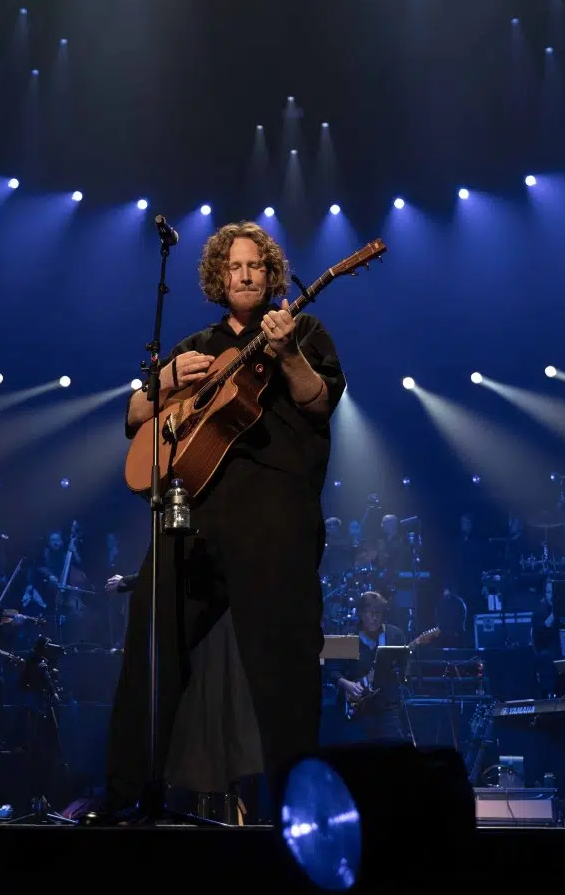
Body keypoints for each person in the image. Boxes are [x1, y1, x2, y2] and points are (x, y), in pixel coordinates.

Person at [106, 220, 345, 813]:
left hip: (276, 519)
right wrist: (162, 382)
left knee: (285, 670)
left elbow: (319, 401)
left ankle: (298, 813)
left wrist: (287, 353)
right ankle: (125, 799)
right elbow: (136, 417)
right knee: (151, 645)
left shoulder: (305, 329)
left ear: (271, 276)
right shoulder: (194, 346)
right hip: (193, 517)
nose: (245, 274)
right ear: (219, 276)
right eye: (234, 266)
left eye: (255, 266)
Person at [330, 590, 407, 742]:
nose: (374, 618)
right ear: (360, 613)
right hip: (357, 709)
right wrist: (348, 685)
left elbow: (405, 669)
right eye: (369, 613)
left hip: (387, 708)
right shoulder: (348, 635)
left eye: (378, 613)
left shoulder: (394, 635)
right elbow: (329, 669)